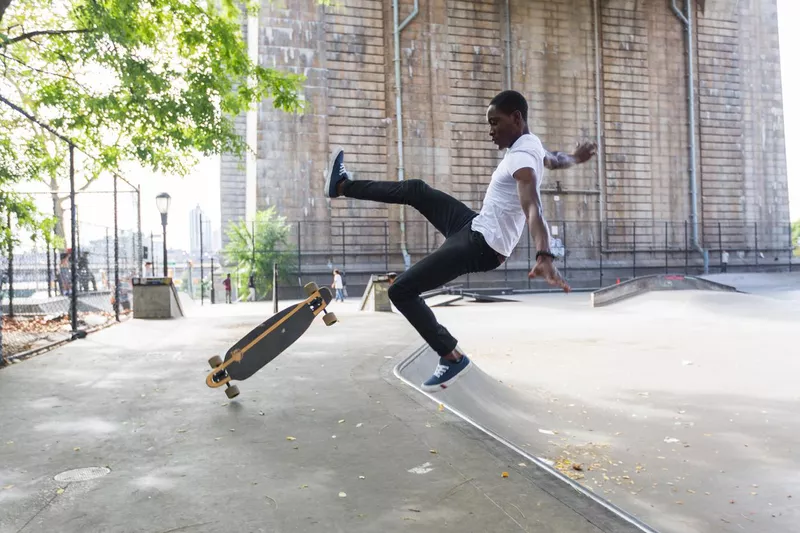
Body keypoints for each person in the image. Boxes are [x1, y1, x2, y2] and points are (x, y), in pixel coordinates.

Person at [324, 90, 596, 392]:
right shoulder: (531, 145)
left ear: (516, 118)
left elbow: (533, 208)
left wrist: (544, 255)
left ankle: (451, 356)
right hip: (473, 226)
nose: (490, 131)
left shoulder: (522, 161)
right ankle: (341, 186)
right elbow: (555, 159)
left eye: (495, 122)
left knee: (400, 290)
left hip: (481, 245)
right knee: (416, 190)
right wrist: (576, 158)